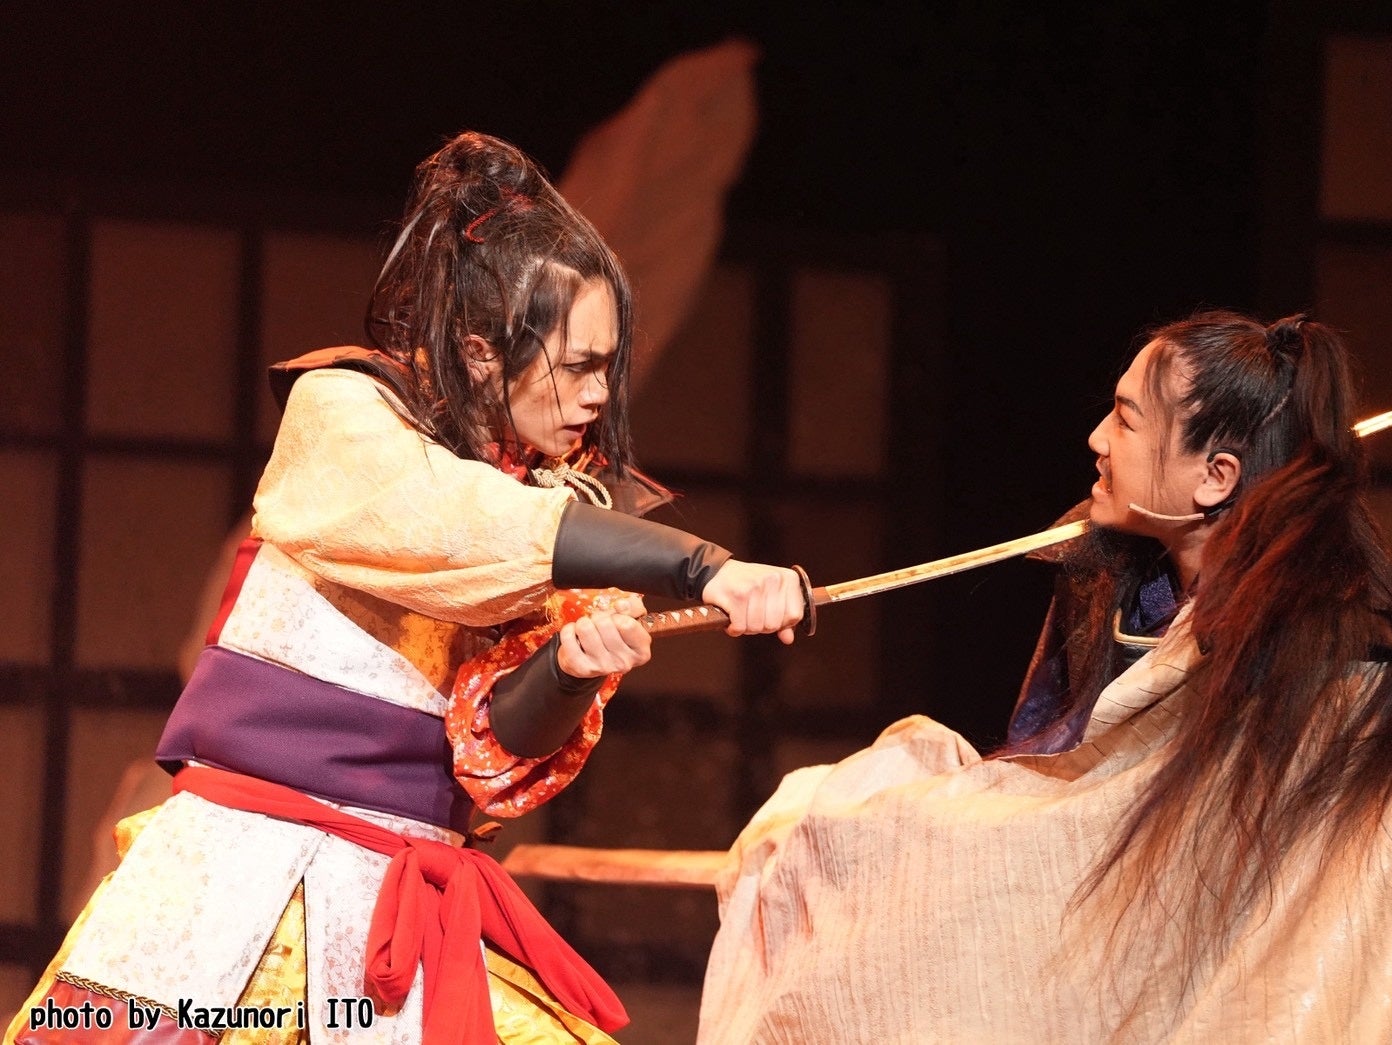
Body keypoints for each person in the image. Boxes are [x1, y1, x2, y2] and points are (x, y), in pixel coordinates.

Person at [7, 131, 803, 1045]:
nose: (597, 395)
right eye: (579, 364)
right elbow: (459, 518)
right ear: (479, 351)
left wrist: (569, 671)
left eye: (607, 367)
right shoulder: (349, 415)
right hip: (237, 873)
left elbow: (492, 745)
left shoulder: (569, 503)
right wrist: (705, 567)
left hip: (401, 898)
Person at [698, 311, 1392, 1042]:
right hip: (1155, 935)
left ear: (1215, 477)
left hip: (1277, 994)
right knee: (854, 821)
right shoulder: (1127, 582)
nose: (1096, 438)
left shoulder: (1346, 649)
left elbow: (1286, 905)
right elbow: (1075, 788)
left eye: (1126, 419)